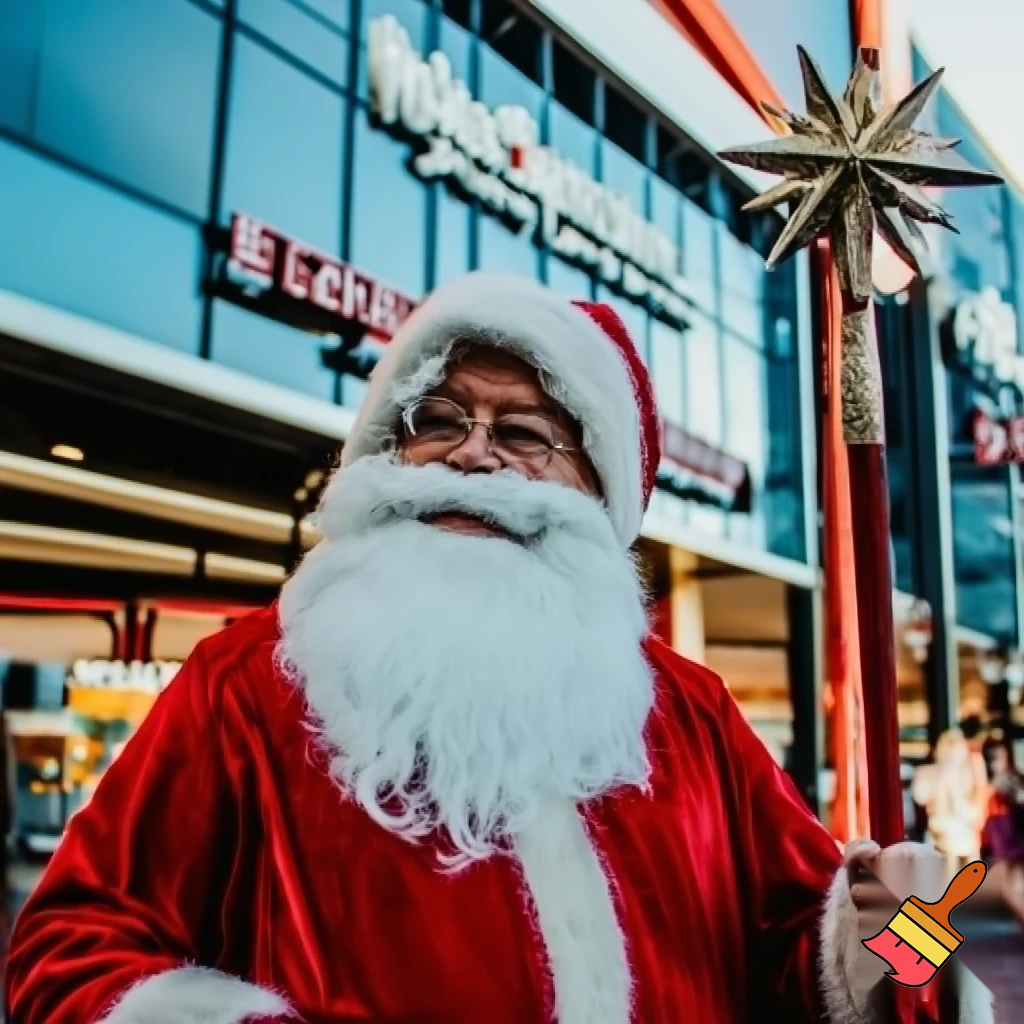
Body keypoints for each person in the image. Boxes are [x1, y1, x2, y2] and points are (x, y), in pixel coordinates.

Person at [5, 273, 992, 1023]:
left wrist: (898, 937)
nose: (471, 455)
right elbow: (67, 947)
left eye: (522, 433)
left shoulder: (686, 711)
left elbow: (831, 971)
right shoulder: (250, 683)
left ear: (596, 488)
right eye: (435, 421)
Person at [982, 742, 1024, 926]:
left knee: (1013, 884)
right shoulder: (1011, 780)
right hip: (1012, 836)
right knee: (1013, 882)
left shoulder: (1004, 784)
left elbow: (1000, 816)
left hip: (1011, 836)